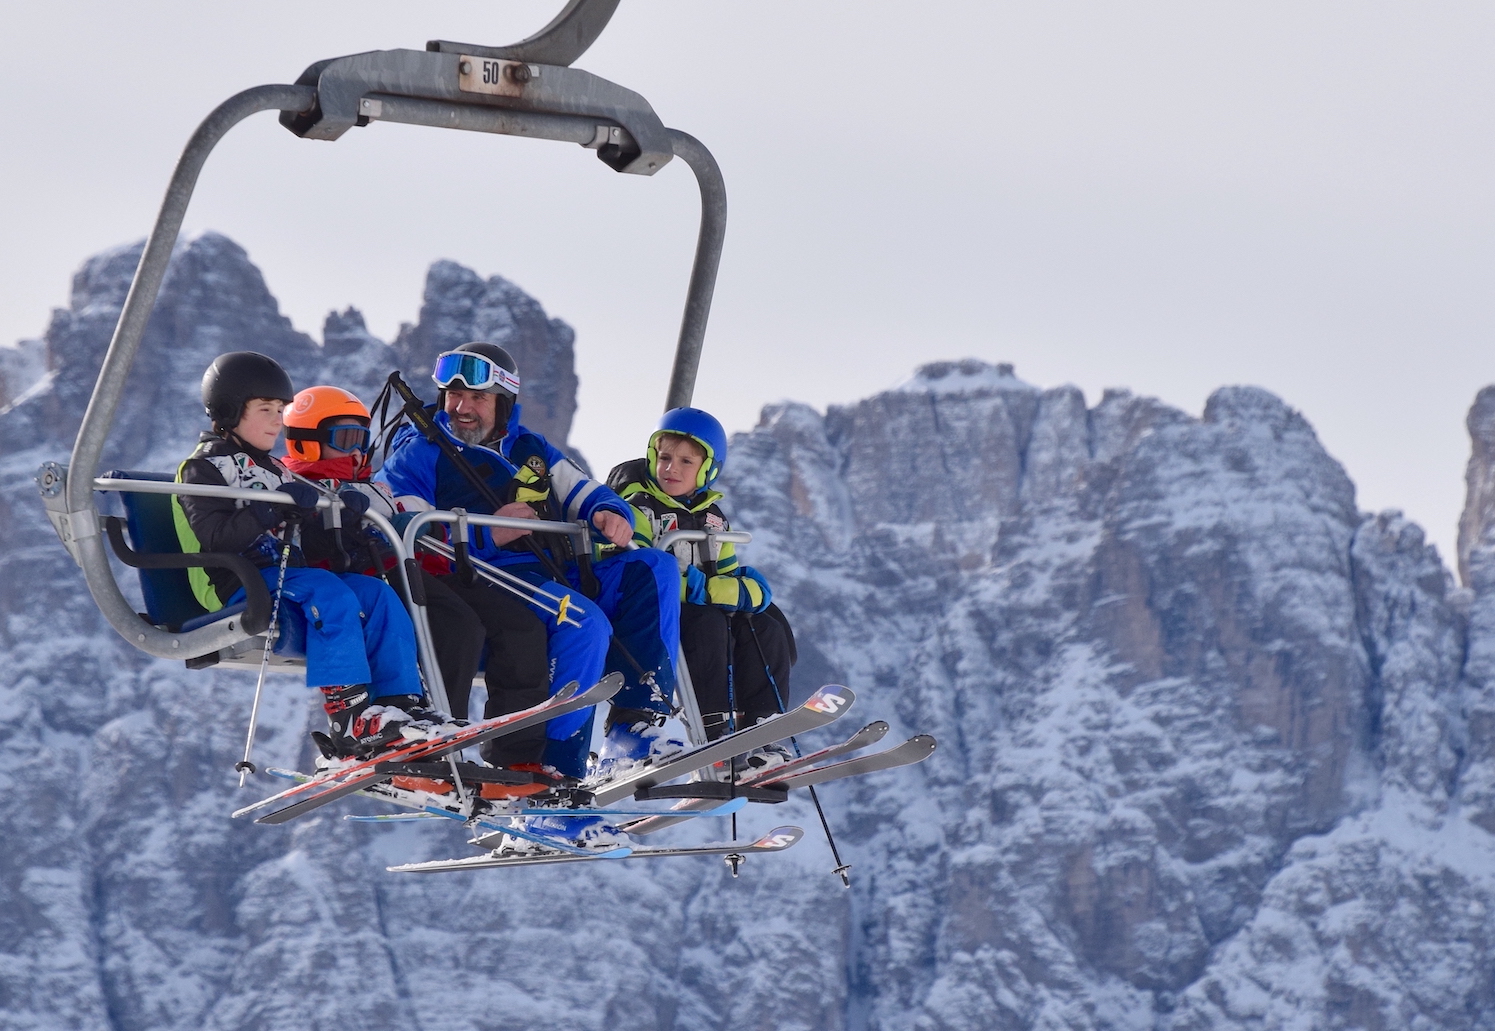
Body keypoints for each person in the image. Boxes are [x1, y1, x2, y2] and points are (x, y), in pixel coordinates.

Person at [376, 342, 683, 782]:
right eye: (453, 395)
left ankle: (634, 727)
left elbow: (584, 489)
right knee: (582, 623)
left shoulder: (529, 448)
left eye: (477, 397)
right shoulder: (421, 453)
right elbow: (408, 532)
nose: (461, 408)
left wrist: (608, 512)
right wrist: (489, 533)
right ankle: (555, 767)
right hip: (488, 574)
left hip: (554, 569)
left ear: (503, 401)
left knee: (654, 568)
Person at [281, 384, 556, 790]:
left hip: (402, 571)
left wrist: (408, 523)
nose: (356, 451)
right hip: (360, 583)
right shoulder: (298, 490)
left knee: (503, 625)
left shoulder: (369, 487)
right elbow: (305, 550)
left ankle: (479, 746)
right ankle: (425, 742)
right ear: (306, 443)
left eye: (362, 439)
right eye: (345, 438)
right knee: (453, 623)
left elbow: (405, 514)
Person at [174, 351, 442, 760]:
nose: (276, 421)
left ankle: (400, 705)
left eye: (280, 410)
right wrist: (269, 508)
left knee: (376, 594)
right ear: (229, 411)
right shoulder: (203, 468)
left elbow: (307, 537)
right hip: (237, 580)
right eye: (264, 410)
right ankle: (348, 717)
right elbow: (214, 536)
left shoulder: (276, 469)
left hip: (290, 577)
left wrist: (343, 520)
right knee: (328, 591)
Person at [607, 407, 795, 762]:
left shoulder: (713, 520)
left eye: (685, 462)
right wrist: (702, 591)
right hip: (658, 610)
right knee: (707, 623)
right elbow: (639, 569)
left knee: (765, 628)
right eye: (664, 458)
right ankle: (714, 730)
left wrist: (743, 592)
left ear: (708, 469)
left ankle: (763, 726)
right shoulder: (638, 508)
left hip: (702, 605)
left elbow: (727, 572)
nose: (671, 469)